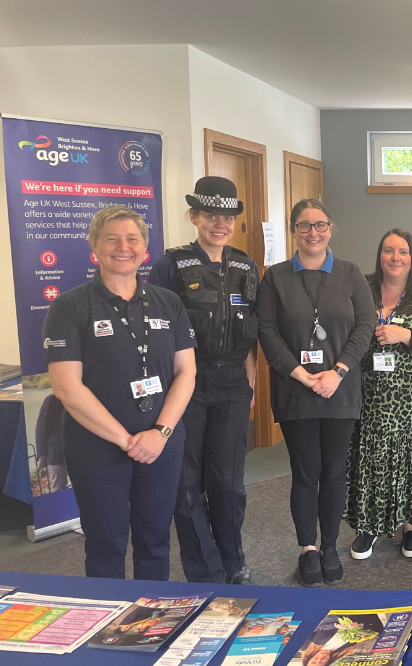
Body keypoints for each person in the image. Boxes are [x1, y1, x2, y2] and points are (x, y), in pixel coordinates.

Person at [42, 206, 197, 579]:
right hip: (98, 447)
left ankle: (151, 625)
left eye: (133, 239)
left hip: (161, 443)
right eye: (111, 239)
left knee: (155, 541)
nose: (122, 247)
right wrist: (127, 440)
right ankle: (104, 631)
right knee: (105, 544)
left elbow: (187, 372)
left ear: (145, 249)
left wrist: (159, 434)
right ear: (94, 247)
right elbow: (66, 386)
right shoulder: (69, 307)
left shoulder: (168, 303)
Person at [256, 198, 376, 587]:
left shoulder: (350, 273)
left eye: (320, 225)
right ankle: (308, 548)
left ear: (330, 229)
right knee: (306, 473)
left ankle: (329, 547)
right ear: (293, 231)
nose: (313, 233)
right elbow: (267, 333)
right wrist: (304, 376)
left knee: (334, 471)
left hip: (340, 390)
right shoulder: (274, 277)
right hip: (297, 391)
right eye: (304, 226)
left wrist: (337, 372)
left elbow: (365, 326)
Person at [147, 176, 259, 585]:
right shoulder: (170, 265)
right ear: (194, 216)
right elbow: (156, 332)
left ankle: (233, 561)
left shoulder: (247, 265)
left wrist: (249, 386)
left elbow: (252, 336)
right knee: (187, 484)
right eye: (211, 215)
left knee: (228, 483)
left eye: (227, 216)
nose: (220, 223)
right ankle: (204, 571)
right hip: (186, 385)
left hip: (232, 385)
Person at [346, 228, 412, 560]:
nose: (395, 258)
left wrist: (404, 334)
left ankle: (410, 525)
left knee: (409, 463)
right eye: (389, 251)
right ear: (380, 255)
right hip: (368, 396)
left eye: (403, 252)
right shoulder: (361, 288)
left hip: (411, 401)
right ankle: (370, 526)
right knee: (372, 460)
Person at [35, 393, 68, 492]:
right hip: (56, 455)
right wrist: (42, 455)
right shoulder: (51, 400)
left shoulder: (78, 397)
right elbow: (40, 429)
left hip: (77, 454)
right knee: (59, 489)